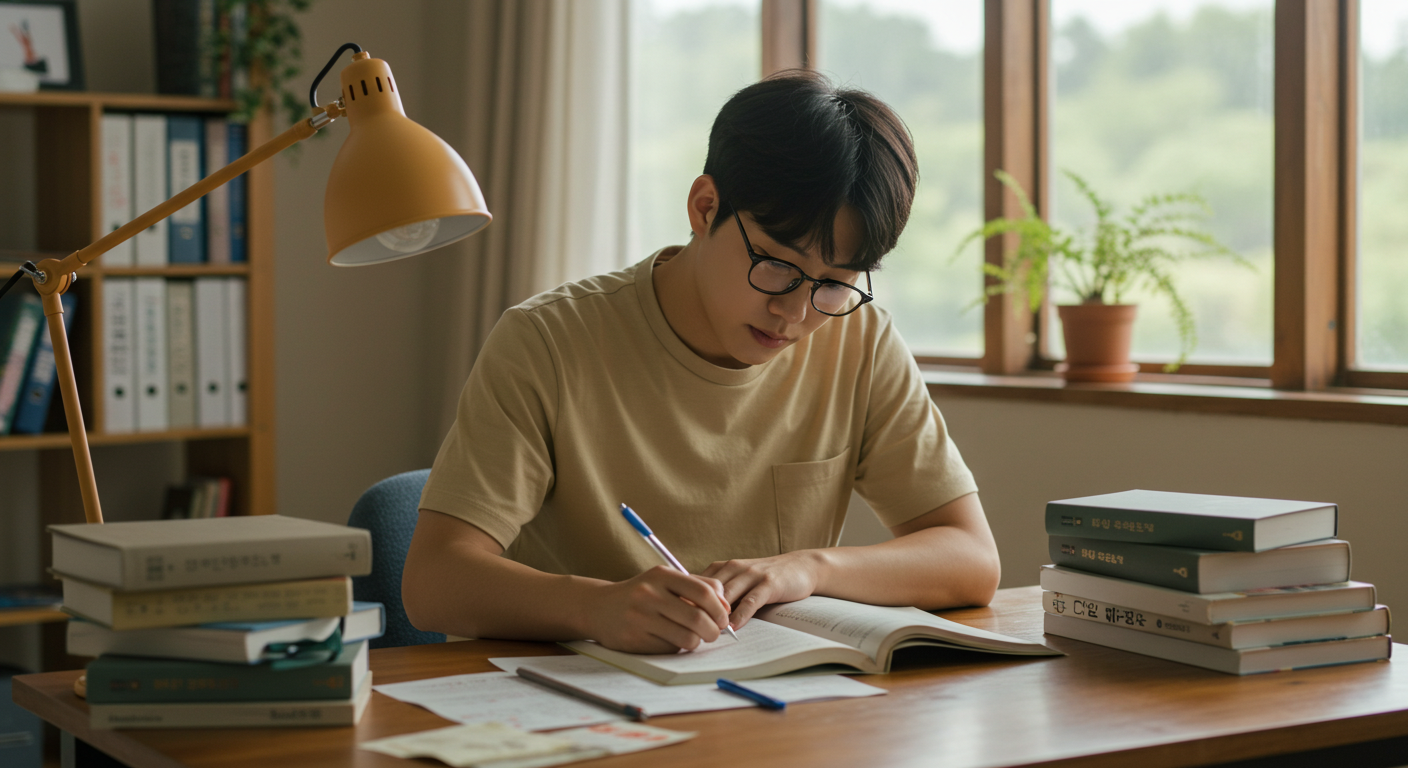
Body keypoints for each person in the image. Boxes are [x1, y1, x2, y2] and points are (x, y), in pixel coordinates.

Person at [402, 70, 1000, 654]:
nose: (794, 312)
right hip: (581, 714)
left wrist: (808, 568)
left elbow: (971, 559)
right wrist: (595, 608)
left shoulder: (860, 341)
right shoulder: (548, 342)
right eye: (776, 266)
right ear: (704, 206)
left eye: (834, 284)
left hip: (769, 710)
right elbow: (433, 582)